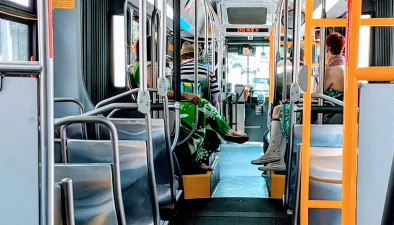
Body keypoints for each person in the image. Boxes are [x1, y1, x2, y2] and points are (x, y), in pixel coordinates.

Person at [131, 40, 248, 173]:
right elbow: (159, 90)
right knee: (204, 105)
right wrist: (186, 95)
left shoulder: (162, 68)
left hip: (165, 107)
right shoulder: (148, 66)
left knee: (204, 111)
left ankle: (221, 134)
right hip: (161, 109)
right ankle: (224, 132)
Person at [251, 33, 345, 170]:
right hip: (332, 111)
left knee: (278, 109)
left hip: (320, 114)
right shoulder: (344, 68)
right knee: (284, 108)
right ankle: (276, 158)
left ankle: (275, 155)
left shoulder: (330, 71)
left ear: (328, 49)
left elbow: (315, 96)